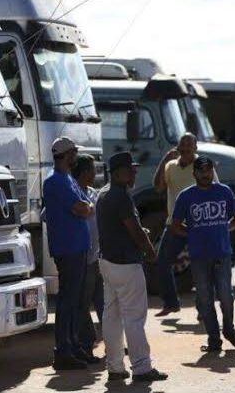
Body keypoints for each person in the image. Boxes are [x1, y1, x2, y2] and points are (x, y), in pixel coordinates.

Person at [96, 152, 168, 382]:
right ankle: (142, 368)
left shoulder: (103, 193)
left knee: (112, 317)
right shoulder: (121, 196)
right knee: (134, 318)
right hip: (126, 265)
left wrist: (140, 237)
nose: (135, 172)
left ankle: (115, 367)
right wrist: (149, 249)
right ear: (117, 172)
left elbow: (122, 228)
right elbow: (135, 230)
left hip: (107, 263)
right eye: (130, 169)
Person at [171, 156, 235, 352]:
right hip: (198, 256)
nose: (206, 174)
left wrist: (225, 229)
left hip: (222, 253)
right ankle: (214, 338)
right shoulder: (186, 196)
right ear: (194, 173)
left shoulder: (224, 191)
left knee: (225, 295)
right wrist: (192, 234)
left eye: (209, 170)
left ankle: (229, 330)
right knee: (204, 298)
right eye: (202, 171)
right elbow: (176, 225)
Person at [43, 137, 97, 370]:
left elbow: (86, 205)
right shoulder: (56, 181)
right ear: (67, 155)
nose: (76, 156)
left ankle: (74, 346)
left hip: (78, 248)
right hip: (68, 248)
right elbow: (82, 208)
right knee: (68, 301)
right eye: (74, 152)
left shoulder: (66, 180)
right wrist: (88, 208)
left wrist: (88, 208)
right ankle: (64, 350)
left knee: (75, 301)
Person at [152, 133, 219, 317]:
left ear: (196, 148)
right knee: (162, 262)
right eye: (183, 145)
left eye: (190, 145)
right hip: (174, 225)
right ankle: (171, 303)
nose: (186, 148)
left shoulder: (204, 166)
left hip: (198, 226)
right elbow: (157, 187)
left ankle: (203, 308)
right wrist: (164, 160)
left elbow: (215, 191)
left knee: (202, 268)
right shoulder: (170, 166)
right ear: (178, 147)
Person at [72, 154, 104, 357]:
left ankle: (113, 341)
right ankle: (87, 344)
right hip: (83, 257)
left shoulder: (93, 193)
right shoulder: (72, 193)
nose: (95, 173)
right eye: (92, 169)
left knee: (104, 302)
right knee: (83, 302)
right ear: (83, 173)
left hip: (99, 256)